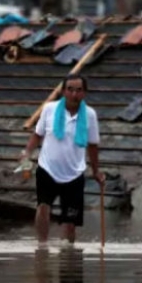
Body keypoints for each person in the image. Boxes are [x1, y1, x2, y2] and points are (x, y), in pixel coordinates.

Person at [20, 73, 105, 245]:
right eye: (70, 90)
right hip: (47, 168)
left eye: (79, 90)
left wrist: (96, 171)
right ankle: (41, 246)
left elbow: (93, 145)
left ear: (84, 93)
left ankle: (68, 255)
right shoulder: (49, 109)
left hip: (74, 173)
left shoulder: (89, 115)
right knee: (43, 206)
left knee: (70, 221)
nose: (74, 94)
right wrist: (27, 153)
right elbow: (37, 135)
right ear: (64, 91)